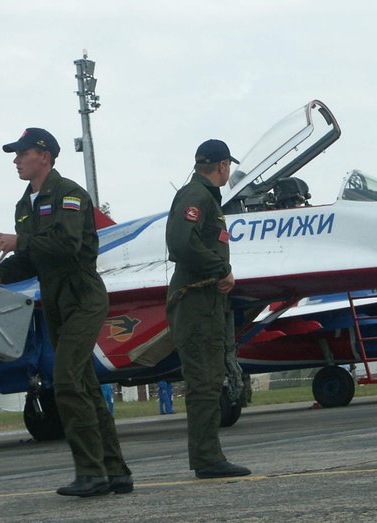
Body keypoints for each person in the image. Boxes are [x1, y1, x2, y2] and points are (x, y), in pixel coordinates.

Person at [0, 127, 131, 497]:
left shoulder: (70, 195)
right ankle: (116, 472)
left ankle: (91, 473)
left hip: (83, 297)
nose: (16, 160)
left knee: (64, 380)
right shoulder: (24, 206)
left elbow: (66, 245)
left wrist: (22, 241)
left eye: (22, 153)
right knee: (85, 385)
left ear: (44, 156)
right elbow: (32, 258)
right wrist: (2, 274)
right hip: (55, 302)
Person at [165, 139, 252, 479]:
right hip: (196, 300)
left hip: (204, 300)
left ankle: (208, 455)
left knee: (210, 377)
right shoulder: (197, 196)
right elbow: (180, 242)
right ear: (223, 166)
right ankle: (207, 459)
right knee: (204, 379)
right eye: (228, 166)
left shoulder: (203, 197)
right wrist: (220, 269)